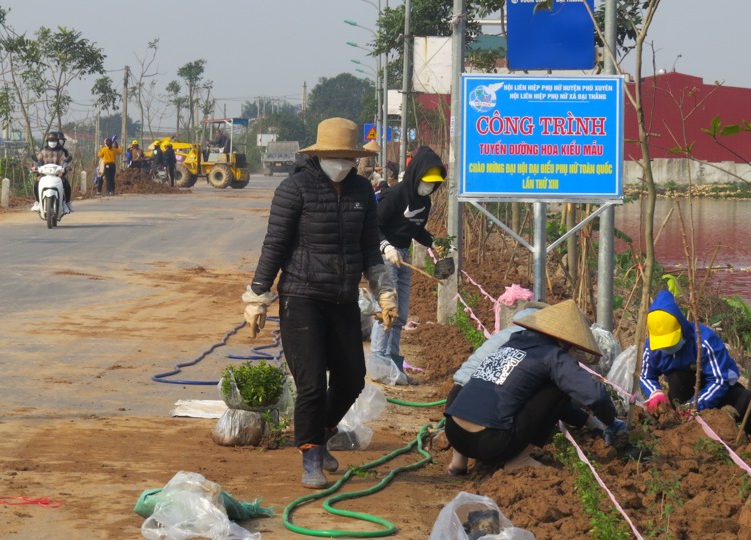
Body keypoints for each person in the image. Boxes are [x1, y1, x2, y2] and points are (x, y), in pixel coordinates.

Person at [243, 117, 398, 489]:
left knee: (350, 381)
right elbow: (275, 246)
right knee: (311, 384)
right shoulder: (293, 189)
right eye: (335, 156)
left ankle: (322, 433)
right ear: (319, 155)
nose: (341, 163)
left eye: (348, 157)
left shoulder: (362, 191)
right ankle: (310, 455)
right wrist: (257, 297)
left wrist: (385, 292)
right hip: (302, 297)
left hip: (344, 299)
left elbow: (368, 248)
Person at [444, 300, 625, 471]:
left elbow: (544, 405)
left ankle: (458, 461)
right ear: (566, 342)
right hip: (489, 444)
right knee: (558, 387)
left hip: (454, 432)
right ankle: (519, 460)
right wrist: (610, 422)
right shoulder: (553, 356)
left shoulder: (513, 342)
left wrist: (590, 422)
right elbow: (596, 396)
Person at [641, 290, 751, 435]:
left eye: (670, 342)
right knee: (677, 378)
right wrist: (654, 393)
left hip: (719, 392)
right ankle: (681, 429)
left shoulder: (704, 340)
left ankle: (750, 443)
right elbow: (646, 376)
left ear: (681, 327)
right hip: (683, 392)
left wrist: (696, 405)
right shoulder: (652, 347)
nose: (667, 348)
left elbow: (719, 380)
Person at [370, 145, 446, 381]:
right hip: (384, 256)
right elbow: (372, 226)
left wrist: (434, 242)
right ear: (416, 176)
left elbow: (415, 229)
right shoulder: (395, 196)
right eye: (426, 181)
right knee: (387, 311)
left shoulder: (425, 203)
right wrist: (386, 247)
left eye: (434, 183)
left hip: (403, 255)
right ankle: (378, 361)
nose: (429, 187)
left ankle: (393, 362)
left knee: (400, 314)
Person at [33, 132, 73, 213]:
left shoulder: (61, 152)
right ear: (47, 141)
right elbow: (37, 162)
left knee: (66, 185)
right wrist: (35, 168)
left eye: (54, 140)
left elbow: (65, 162)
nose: (52, 142)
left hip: (57, 175)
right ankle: (38, 202)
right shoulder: (43, 152)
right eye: (50, 140)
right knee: (36, 184)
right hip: (44, 175)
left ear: (57, 141)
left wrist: (65, 168)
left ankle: (66, 203)